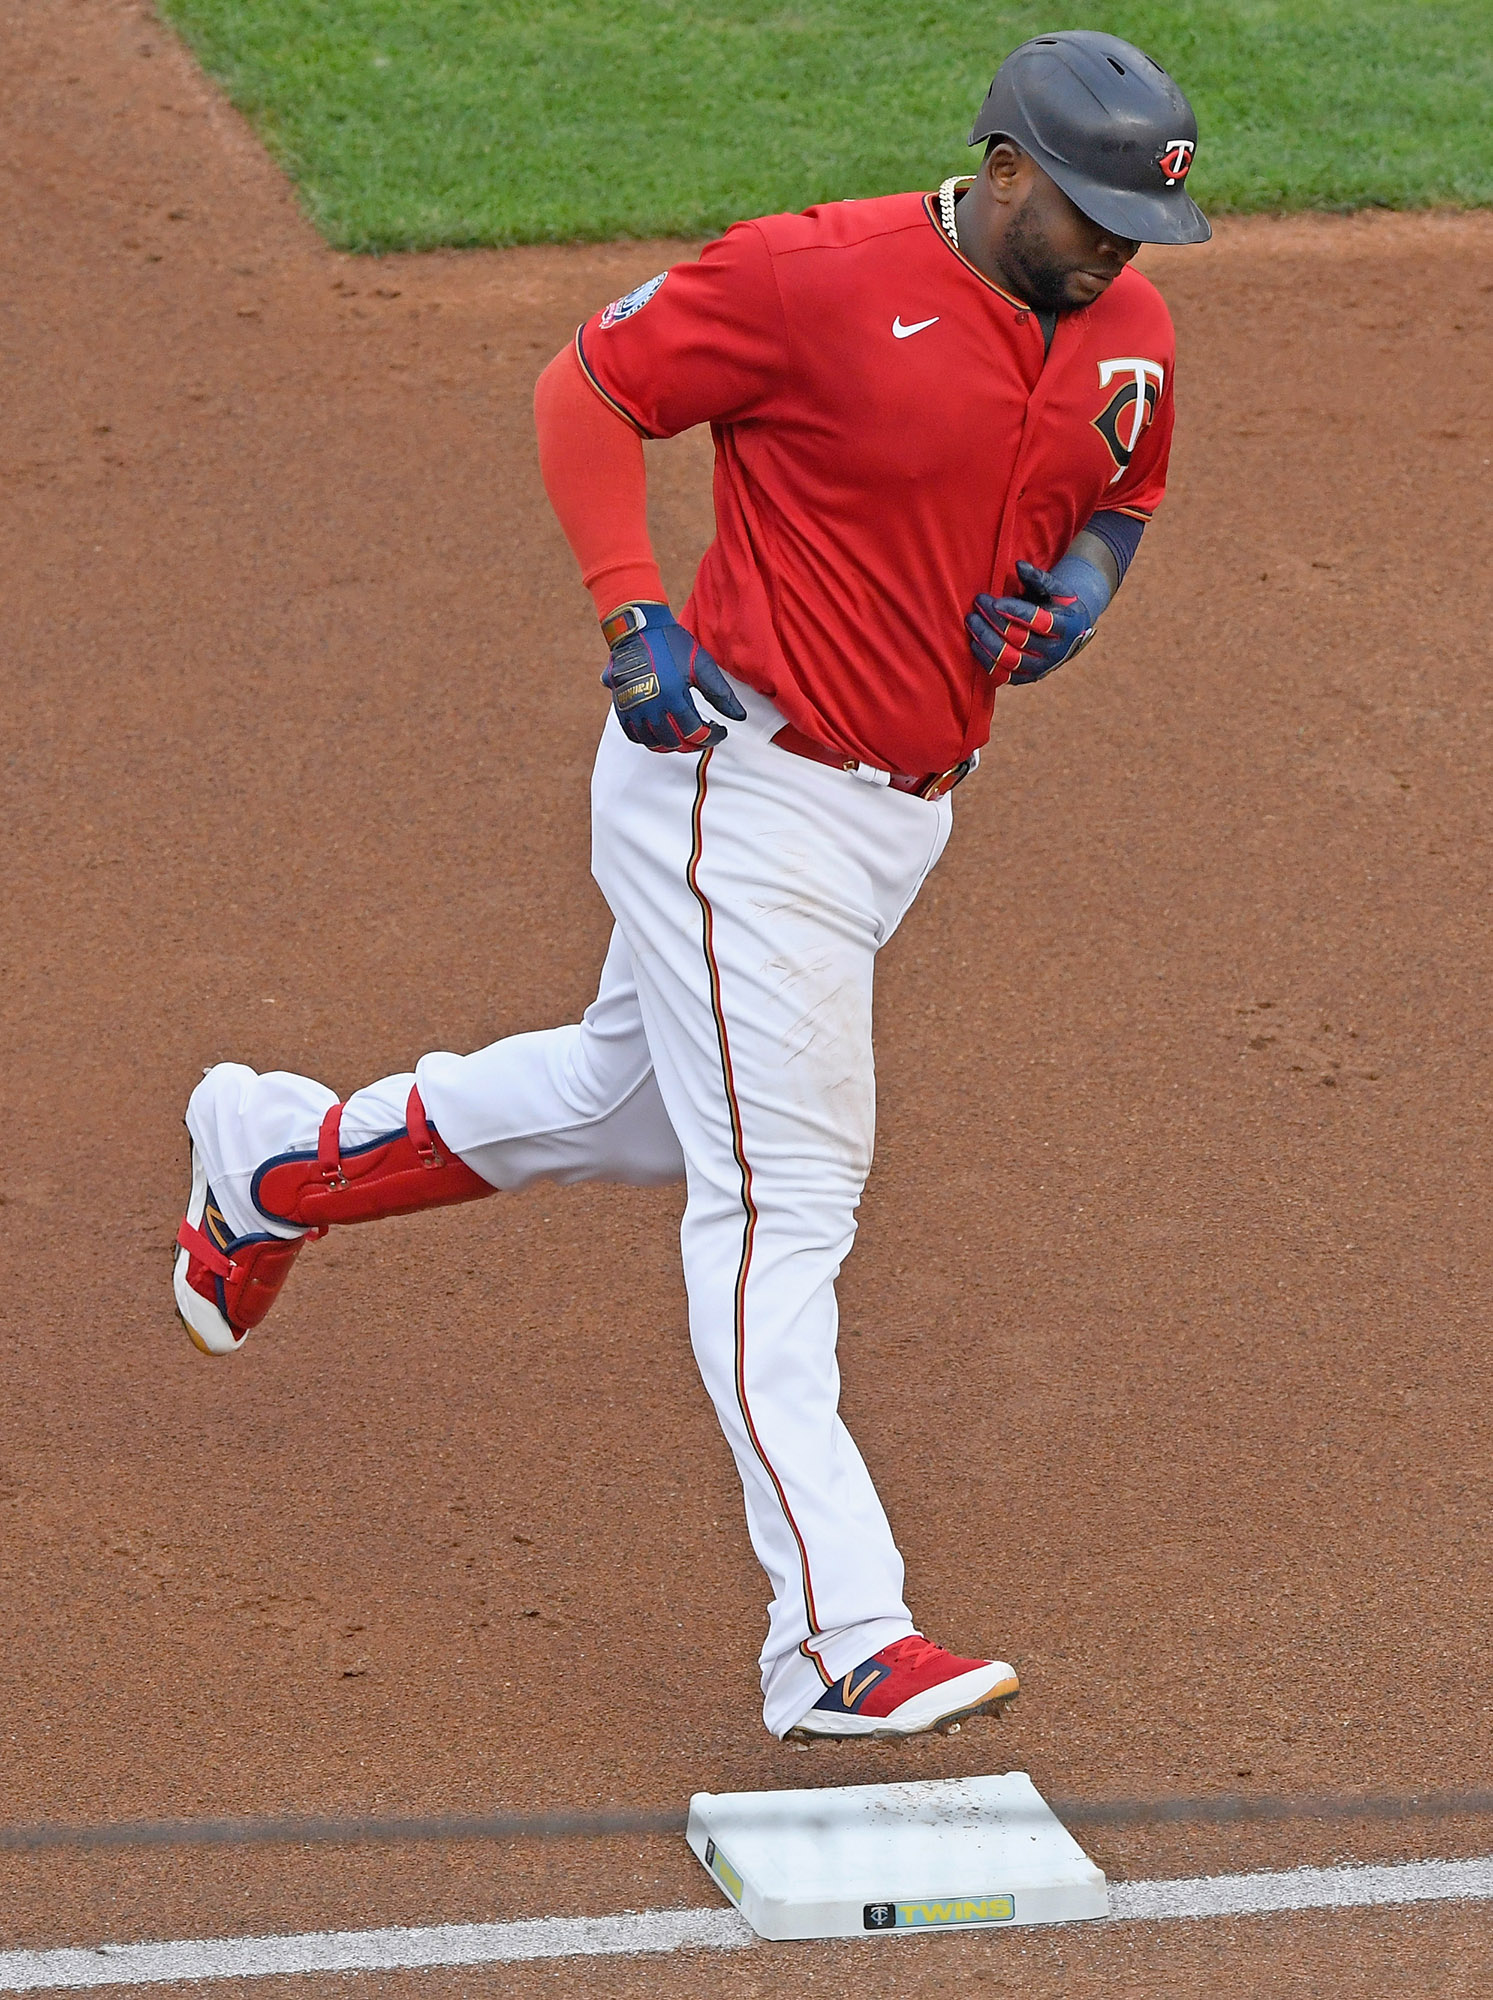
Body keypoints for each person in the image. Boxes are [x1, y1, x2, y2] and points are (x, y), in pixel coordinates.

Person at [173, 31, 1210, 1743]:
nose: (1113, 251)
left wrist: (1079, 594)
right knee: (785, 1198)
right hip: (740, 793)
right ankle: (835, 1633)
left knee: (635, 1101)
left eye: (1140, 227)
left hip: (897, 820)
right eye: (1088, 214)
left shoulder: (1128, 325)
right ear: (1003, 167)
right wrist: (628, 609)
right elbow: (589, 388)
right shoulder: (808, 277)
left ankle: (271, 1163)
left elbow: (1126, 487)